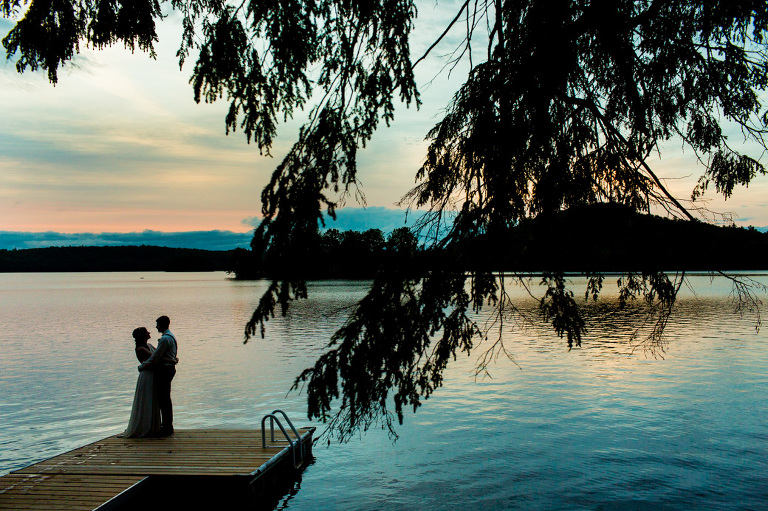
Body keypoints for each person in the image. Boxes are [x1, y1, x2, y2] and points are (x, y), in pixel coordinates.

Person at [138, 315, 178, 436]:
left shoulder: (165, 339)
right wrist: (173, 360)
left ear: (162, 325)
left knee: (163, 400)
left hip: (165, 370)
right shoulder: (170, 336)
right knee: (165, 399)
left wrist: (142, 366)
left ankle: (166, 427)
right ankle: (167, 425)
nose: (156, 327)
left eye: (157, 324)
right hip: (169, 368)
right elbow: (158, 355)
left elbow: (155, 358)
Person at [122, 327, 161, 438]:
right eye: (146, 332)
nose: (149, 333)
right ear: (142, 336)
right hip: (147, 376)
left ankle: (152, 426)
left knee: (152, 399)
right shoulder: (141, 349)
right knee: (147, 399)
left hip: (152, 374)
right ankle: (146, 427)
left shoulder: (148, 346)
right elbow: (155, 359)